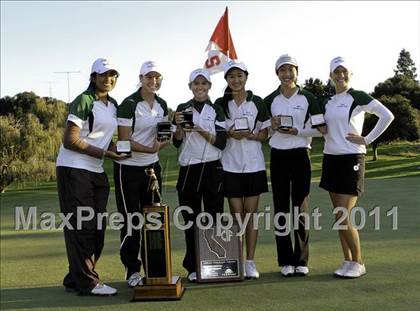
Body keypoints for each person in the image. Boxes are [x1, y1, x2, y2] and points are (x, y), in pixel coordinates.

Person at [56, 58, 127, 296]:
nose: (109, 79)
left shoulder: (113, 104)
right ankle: (88, 282)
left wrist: (117, 148)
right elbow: (71, 139)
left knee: (97, 226)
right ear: (93, 77)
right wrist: (106, 153)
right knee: (81, 225)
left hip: (95, 169)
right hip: (74, 167)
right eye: (104, 75)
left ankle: (75, 277)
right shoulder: (85, 100)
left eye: (113, 75)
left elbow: (104, 137)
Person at [320, 56, 394, 278]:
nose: (340, 75)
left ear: (350, 74)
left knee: (344, 215)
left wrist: (367, 139)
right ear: (331, 75)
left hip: (351, 159)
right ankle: (347, 261)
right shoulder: (328, 101)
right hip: (330, 159)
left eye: (344, 71)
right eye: (336, 72)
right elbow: (323, 129)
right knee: (338, 215)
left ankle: (359, 262)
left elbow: (386, 116)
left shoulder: (357, 96)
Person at [264, 54, 327, 277]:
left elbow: (321, 129)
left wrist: (298, 131)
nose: (287, 74)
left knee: (300, 207)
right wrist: (271, 126)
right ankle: (285, 261)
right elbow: (264, 132)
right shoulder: (270, 99)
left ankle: (301, 260)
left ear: (297, 72)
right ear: (277, 73)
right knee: (280, 207)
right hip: (279, 156)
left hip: (301, 155)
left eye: (290, 70)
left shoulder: (309, 97)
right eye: (282, 70)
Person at [114, 61, 171, 287]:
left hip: (152, 169)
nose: (153, 81)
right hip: (128, 169)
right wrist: (150, 148)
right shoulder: (129, 104)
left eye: (157, 77)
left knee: (154, 220)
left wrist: (163, 142)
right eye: (149, 77)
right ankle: (132, 271)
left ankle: (155, 268)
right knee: (132, 220)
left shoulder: (163, 104)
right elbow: (124, 140)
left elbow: (164, 134)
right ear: (141, 78)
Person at [215, 60, 270, 279]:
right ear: (226, 80)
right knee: (237, 217)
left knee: (251, 216)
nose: (236, 80)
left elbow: (265, 134)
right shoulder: (221, 103)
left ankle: (250, 262)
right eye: (231, 77)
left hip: (254, 165)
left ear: (246, 77)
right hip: (230, 165)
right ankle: (237, 260)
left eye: (239, 76)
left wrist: (251, 135)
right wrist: (229, 133)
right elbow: (219, 130)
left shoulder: (257, 101)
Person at [173, 68, 227, 282]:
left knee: (213, 218)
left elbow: (221, 142)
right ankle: (193, 266)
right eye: (196, 84)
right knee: (190, 219)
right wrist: (178, 127)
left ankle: (213, 263)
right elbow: (177, 140)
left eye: (204, 84)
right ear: (190, 87)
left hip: (213, 167)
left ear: (209, 87)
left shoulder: (217, 109)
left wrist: (197, 129)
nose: (200, 88)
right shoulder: (181, 108)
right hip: (189, 169)